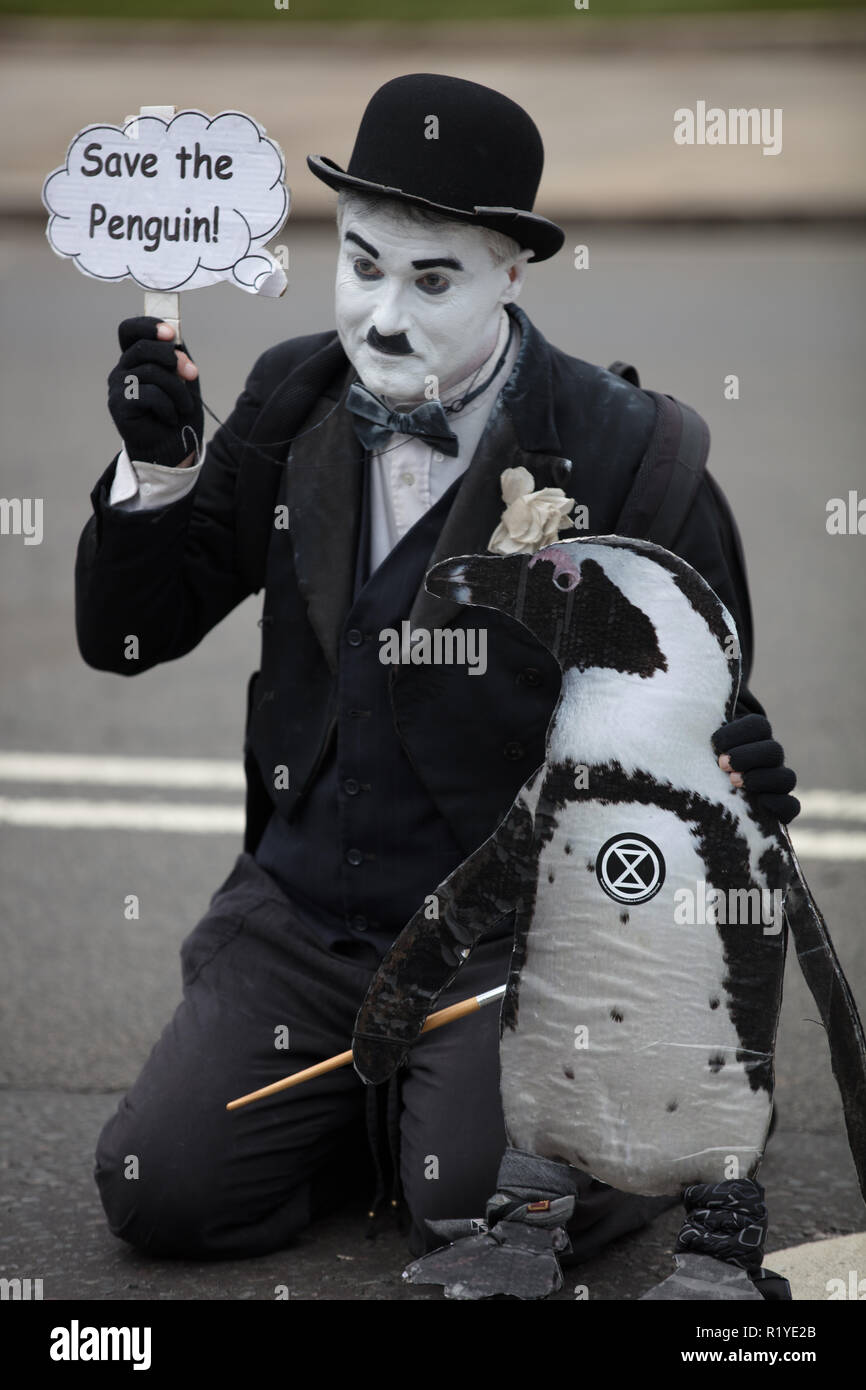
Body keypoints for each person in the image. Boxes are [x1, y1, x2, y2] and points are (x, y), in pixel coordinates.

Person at [77, 73, 798, 1268]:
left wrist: (736, 753)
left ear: (509, 271)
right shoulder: (289, 394)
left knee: (475, 1202)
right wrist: (153, 477)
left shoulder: (629, 451)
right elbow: (129, 636)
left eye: (431, 280)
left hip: (510, 933)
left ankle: (533, 1113)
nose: (386, 319)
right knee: (160, 1195)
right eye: (362, 266)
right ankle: (392, 1101)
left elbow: (706, 699)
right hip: (303, 917)